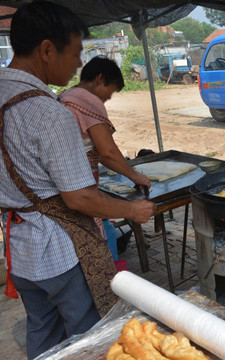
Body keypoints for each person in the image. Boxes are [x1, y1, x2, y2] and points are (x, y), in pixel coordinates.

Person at [0, 2, 155, 359]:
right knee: (92, 338)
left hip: (19, 249)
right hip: (57, 252)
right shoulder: (47, 111)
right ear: (46, 49)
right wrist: (131, 209)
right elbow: (80, 199)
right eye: (75, 52)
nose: (78, 64)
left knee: (42, 332)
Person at [59, 56, 151, 260]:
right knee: (100, 249)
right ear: (100, 79)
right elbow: (107, 152)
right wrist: (135, 176)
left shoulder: (66, 96)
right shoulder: (86, 100)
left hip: (64, 189)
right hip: (80, 187)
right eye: (110, 91)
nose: (107, 98)